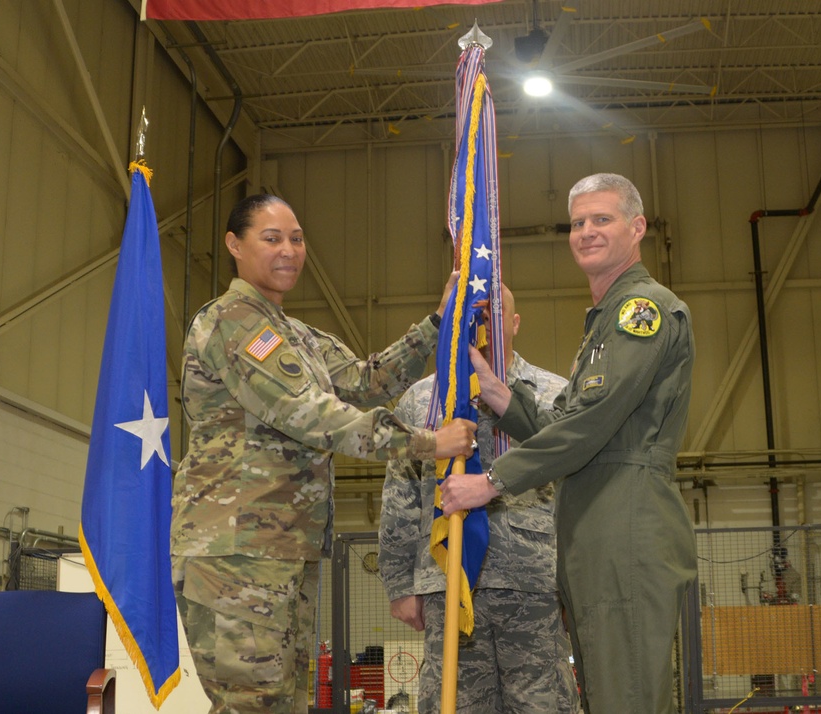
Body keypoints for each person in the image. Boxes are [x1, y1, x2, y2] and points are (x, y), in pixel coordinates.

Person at [171, 193, 476, 714]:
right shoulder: (232, 321)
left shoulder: (295, 335)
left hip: (285, 549)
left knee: (286, 703)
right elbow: (309, 413)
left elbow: (368, 380)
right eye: (271, 238)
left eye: (296, 238)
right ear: (234, 245)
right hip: (238, 551)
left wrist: (436, 321)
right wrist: (426, 444)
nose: (288, 250)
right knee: (253, 705)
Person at [440, 173, 697, 714]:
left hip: (624, 521)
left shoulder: (640, 312)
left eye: (601, 219)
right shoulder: (604, 320)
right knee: (609, 693)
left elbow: (592, 424)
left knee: (625, 695)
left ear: (637, 227)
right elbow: (572, 419)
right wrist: (499, 394)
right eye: (577, 222)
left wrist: (491, 483)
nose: (586, 231)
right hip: (596, 523)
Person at [378, 284, 580, 714]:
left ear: (516, 323)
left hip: (534, 583)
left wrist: (575, 582)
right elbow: (402, 493)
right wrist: (399, 584)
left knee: (543, 705)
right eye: (473, 313)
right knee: (454, 704)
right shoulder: (423, 399)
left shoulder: (552, 393)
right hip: (448, 583)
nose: (482, 324)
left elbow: (576, 493)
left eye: (493, 313)